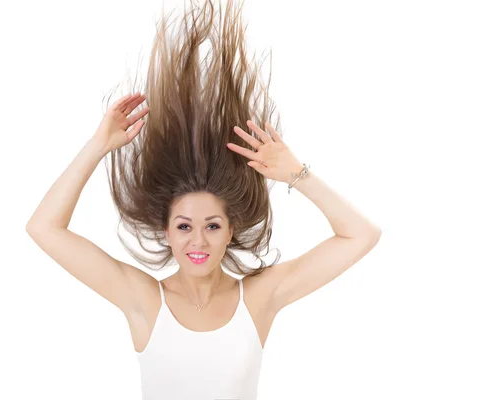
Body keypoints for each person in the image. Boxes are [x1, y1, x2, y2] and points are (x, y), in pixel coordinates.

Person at [26, 0, 381, 398]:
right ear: (166, 232)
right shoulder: (144, 299)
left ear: (231, 231)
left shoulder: (259, 298)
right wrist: (97, 146)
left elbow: (361, 236)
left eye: (212, 226)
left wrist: (296, 174)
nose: (198, 241)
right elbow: (43, 228)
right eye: (184, 226)